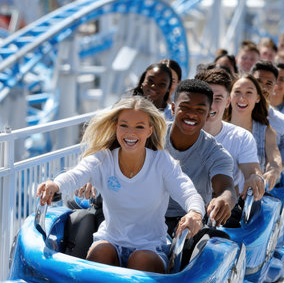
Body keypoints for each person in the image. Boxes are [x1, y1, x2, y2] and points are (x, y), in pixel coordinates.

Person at [37, 96, 204, 273]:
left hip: (150, 247)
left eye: (139, 127)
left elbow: (187, 191)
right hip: (110, 241)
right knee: (101, 252)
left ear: (149, 131)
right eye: (124, 125)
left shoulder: (161, 161)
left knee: (141, 259)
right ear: (116, 127)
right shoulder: (103, 159)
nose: (130, 133)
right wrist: (55, 185)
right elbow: (75, 175)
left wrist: (195, 212)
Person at [165, 79, 237, 235]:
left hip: (186, 222)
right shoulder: (150, 135)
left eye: (200, 110)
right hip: (143, 215)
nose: (192, 114)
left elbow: (226, 188)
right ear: (172, 108)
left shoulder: (216, 153)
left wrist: (223, 200)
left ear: (208, 114)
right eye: (185, 107)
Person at [195, 68, 265, 200]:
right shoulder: (178, 132)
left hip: (225, 211)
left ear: (227, 102)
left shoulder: (242, 137)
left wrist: (255, 178)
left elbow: (251, 171)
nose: (210, 106)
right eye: (206, 98)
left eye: (218, 99)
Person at [223, 73, 282, 190]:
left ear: (258, 98)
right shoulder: (217, 127)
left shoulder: (266, 131)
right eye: (237, 92)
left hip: (251, 199)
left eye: (249, 92)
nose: (242, 98)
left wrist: (274, 170)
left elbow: (274, 157)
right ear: (229, 97)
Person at [250, 60, 284, 167]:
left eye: (268, 84)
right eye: (258, 81)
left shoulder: (283, 121)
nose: (263, 87)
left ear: (275, 88)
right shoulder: (235, 111)